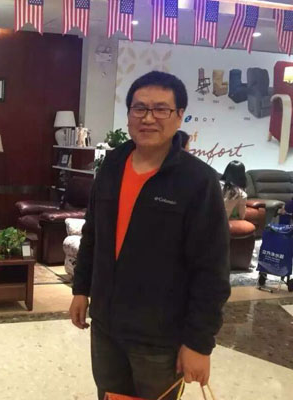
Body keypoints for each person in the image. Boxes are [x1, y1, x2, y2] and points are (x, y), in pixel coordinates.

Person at [69, 71, 230, 400]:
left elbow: (211, 269)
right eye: (139, 108)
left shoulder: (198, 181)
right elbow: (93, 234)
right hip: (106, 327)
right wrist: (81, 289)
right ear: (129, 114)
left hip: (160, 338)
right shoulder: (111, 166)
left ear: (179, 116)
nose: (148, 118)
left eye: (161, 109)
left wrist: (199, 343)